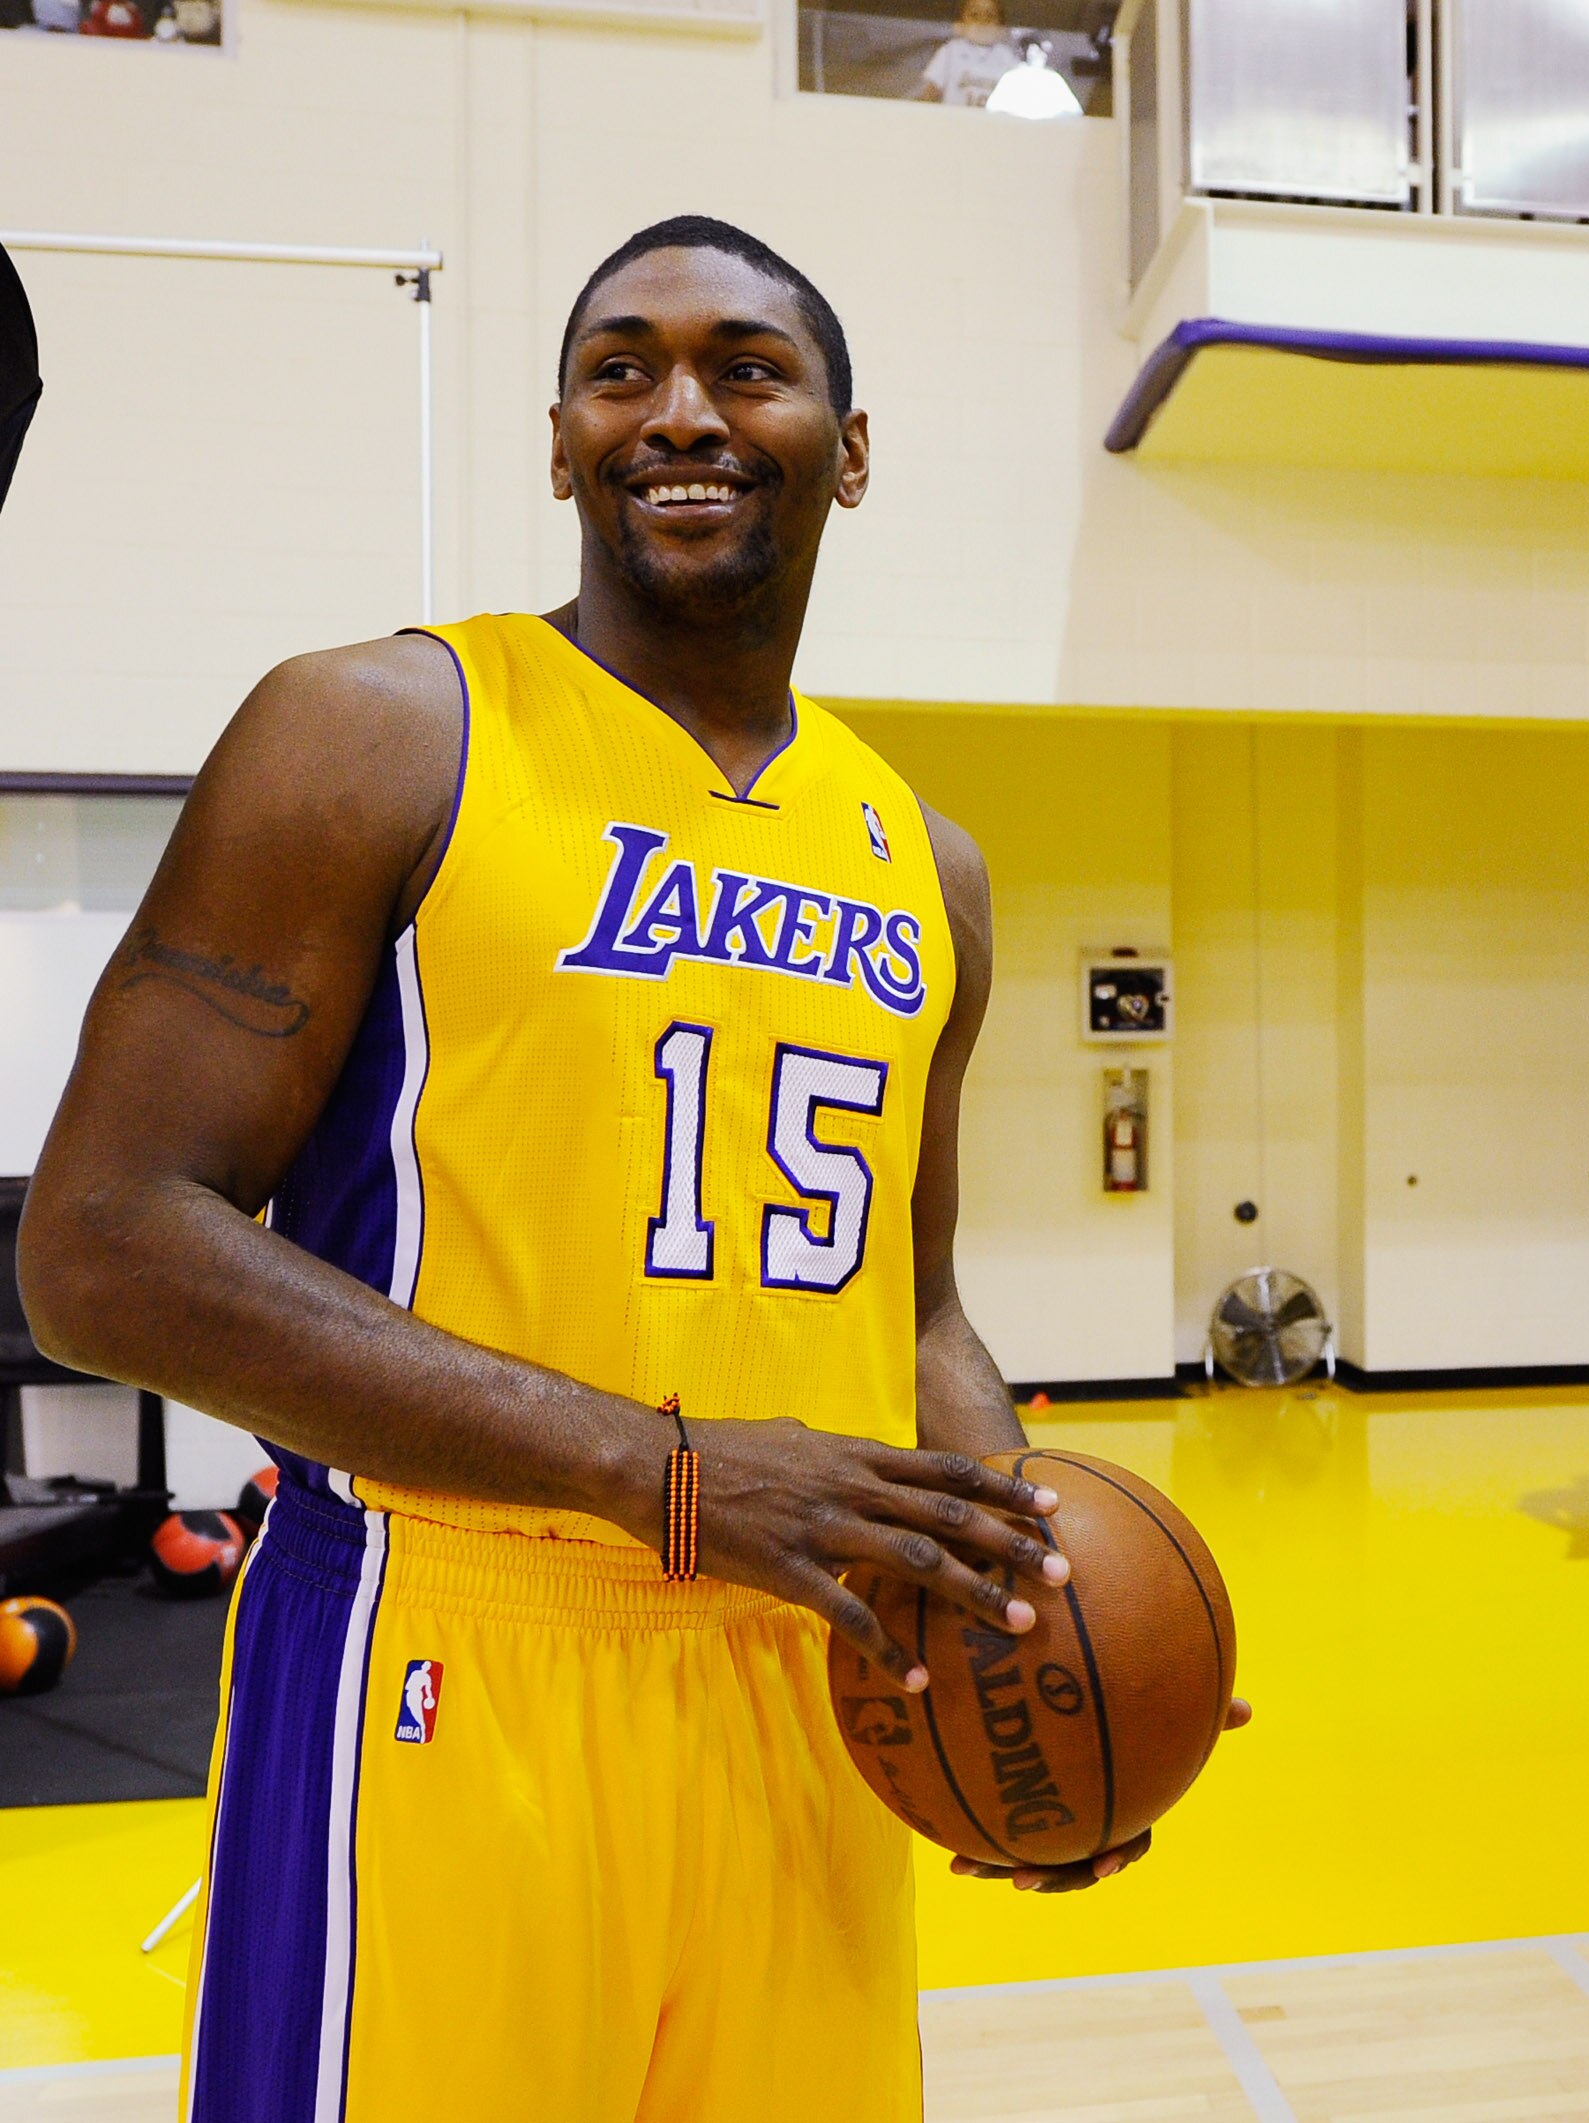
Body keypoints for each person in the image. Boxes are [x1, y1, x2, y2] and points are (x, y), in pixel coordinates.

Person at [20, 216, 1244, 2123]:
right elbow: (99, 1245)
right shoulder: (380, 730)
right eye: (621, 368)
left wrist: (1026, 1627)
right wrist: (657, 1475)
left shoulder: (929, 865)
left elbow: (906, 1307)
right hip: (456, 1656)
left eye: (747, 366)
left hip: (806, 1673)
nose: (681, 407)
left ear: (848, 448)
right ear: (565, 439)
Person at [913, 0, 1016, 107]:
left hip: (993, 122)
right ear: (962, 21)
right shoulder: (950, 50)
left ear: (1000, 23)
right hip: (955, 120)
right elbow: (930, 91)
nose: (982, 21)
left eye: (990, 16)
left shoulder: (1008, 57)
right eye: (974, 15)